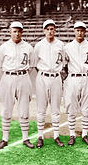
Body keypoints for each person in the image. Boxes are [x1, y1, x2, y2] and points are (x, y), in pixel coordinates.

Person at [0, 21, 34, 149]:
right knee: (6, 109)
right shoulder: (3, 47)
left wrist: (21, 75)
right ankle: (4, 138)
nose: (17, 33)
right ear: (10, 32)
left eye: (19, 31)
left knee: (24, 109)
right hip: (8, 78)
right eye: (14, 31)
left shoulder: (28, 47)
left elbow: (32, 66)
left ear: (22, 32)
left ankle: (25, 138)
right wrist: (8, 77)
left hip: (23, 77)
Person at [31, 19, 65, 147]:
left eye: (52, 29)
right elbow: (35, 63)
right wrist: (42, 73)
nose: (50, 31)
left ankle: (56, 136)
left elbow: (63, 62)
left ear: (55, 30)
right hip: (42, 77)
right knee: (41, 109)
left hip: (56, 77)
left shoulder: (60, 45)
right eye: (47, 29)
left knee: (56, 108)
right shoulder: (39, 45)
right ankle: (40, 136)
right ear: (44, 30)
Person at [63, 22, 88, 146]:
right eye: (77, 30)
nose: (80, 32)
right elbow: (65, 66)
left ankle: (84, 134)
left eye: (82, 30)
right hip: (73, 78)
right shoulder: (67, 47)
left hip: (87, 78)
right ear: (74, 31)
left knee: (86, 108)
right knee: (72, 107)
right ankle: (72, 134)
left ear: (85, 32)